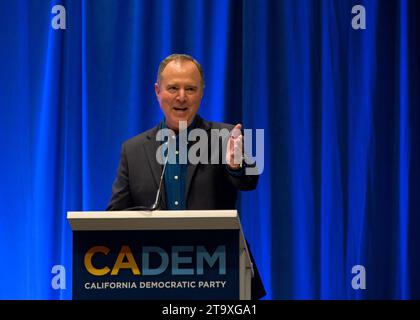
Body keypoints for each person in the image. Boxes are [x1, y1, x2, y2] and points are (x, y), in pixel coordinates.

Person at [106, 53, 266, 299]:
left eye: (190, 88)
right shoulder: (133, 149)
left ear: (201, 93)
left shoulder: (225, 137)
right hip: (154, 277)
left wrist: (236, 165)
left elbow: (249, 181)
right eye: (173, 88)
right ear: (157, 91)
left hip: (218, 274)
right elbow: (115, 215)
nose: (181, 97)